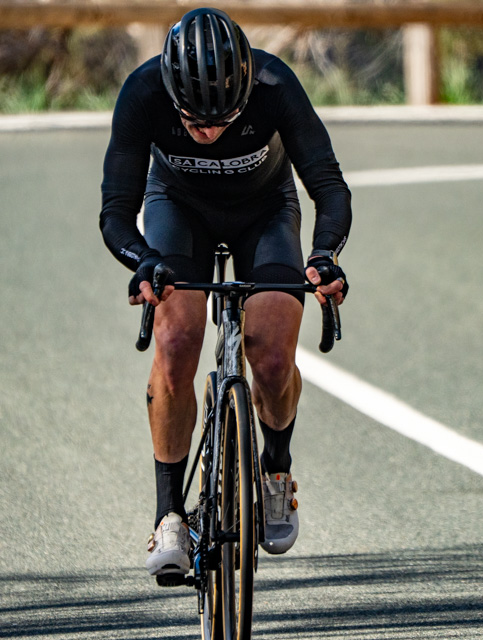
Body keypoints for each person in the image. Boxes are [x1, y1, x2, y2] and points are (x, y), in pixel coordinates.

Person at [99, 7, 351, 580]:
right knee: (176, 341)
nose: (209, 132)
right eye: (193, 120)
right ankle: (169, 515)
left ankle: (276, 469)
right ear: (171, 94)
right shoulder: (142, 93)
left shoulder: (275, 84)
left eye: (224, 119)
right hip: (178, 210)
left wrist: (324, 256)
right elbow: (116, 211)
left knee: (272, 354)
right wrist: (142, 261)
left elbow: (329, 187)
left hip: (265, 212)